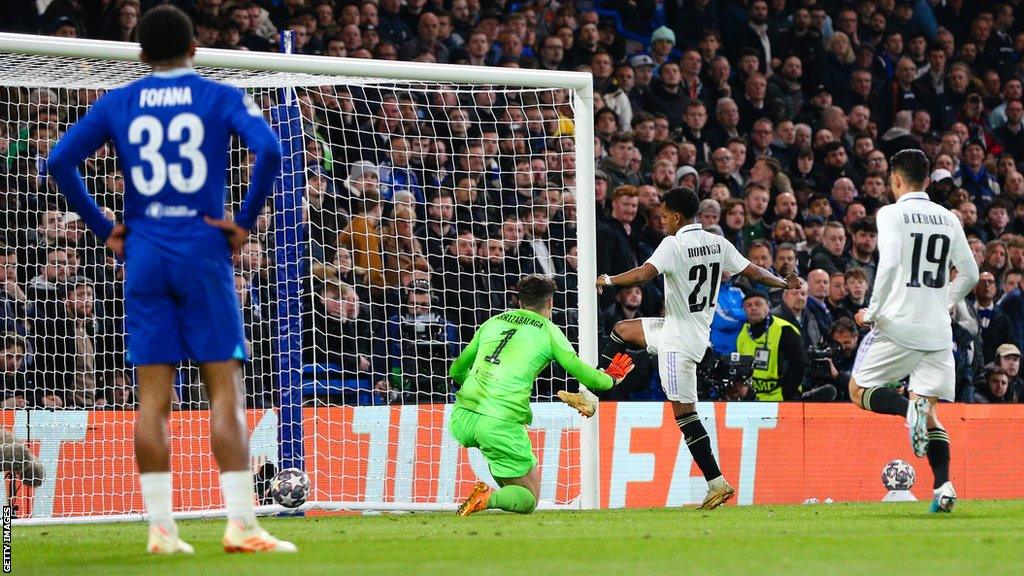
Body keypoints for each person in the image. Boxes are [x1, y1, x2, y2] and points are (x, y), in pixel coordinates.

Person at [45, 6, 293, 553]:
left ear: (139, 54)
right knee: (223, 388)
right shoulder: (220, 96)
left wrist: (106, 228)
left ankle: (161, 528)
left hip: (146, 252)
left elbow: (59, 160)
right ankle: (241, 525)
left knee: (152, 396)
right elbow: (271, 150)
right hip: (203, 249)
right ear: (196, 47)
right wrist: (244, 222)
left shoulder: (118, 101)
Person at [562, 188, 799, 509]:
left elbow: (645, 273)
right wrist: (785, 283)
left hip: (677, 345)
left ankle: (717, 482)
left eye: (663, 216)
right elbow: (754, 272)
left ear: (675, 216)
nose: (662, 221)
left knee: (684, 414)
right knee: (622, 330)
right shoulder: (718, 243)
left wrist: (609, 279)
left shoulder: (673, 244)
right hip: (685, 330)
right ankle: (591, 397)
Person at [851, 149, 979, 514]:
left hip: (899, 325)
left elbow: (889, 263)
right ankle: (944, 486)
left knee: (859, 390)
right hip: (938, 332)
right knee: (930, 412)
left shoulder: (891, 213)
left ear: (895, 179)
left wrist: (873, 313)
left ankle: (909, 412)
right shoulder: (948, 217)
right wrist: (946, 302)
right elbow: (969, 274)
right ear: (926, 180)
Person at [451, 275, 633, 516]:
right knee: (529, 500)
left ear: (519, 302)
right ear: (550, 303)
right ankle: (488, 497)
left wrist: (478, 392)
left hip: (462, 416)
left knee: (524, 484)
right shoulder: (549, 331)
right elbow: (584, 374)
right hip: (499, 422)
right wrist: (611, 379)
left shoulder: (492, 322)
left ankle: (494, 492)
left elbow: (456, 370)